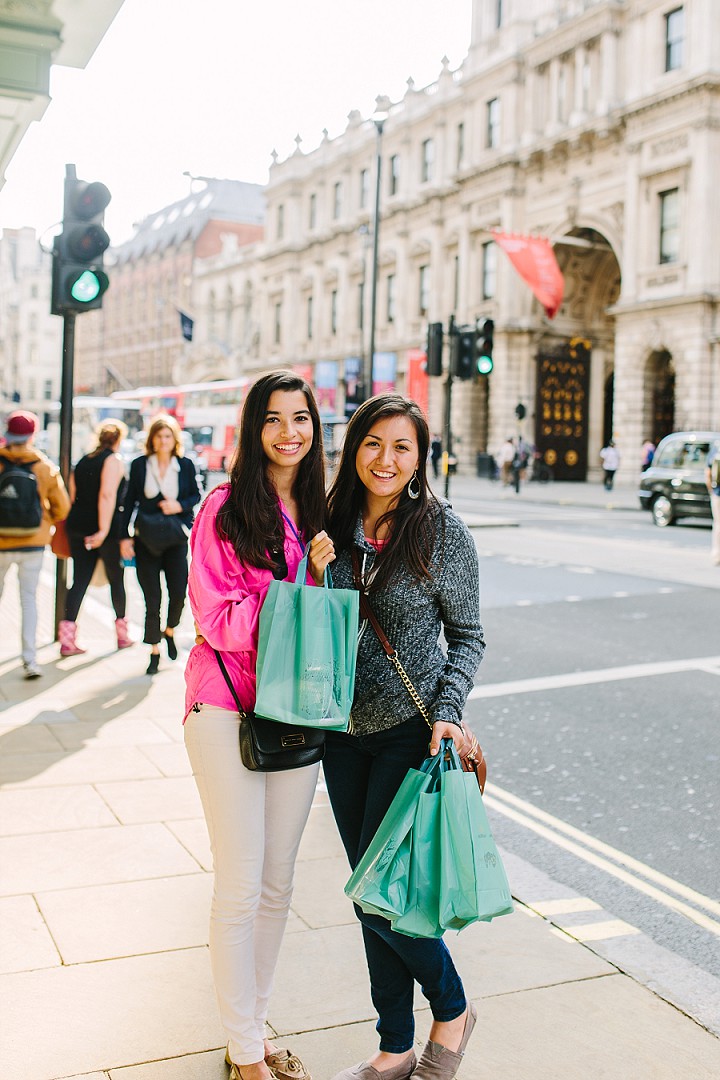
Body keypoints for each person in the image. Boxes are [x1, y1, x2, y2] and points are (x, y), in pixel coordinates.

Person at [324, 393, 486, 1080]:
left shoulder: (442, 533)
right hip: (339, 733)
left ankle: (451, 1010)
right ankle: (394, 1046)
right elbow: (314, 622)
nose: (385, 460)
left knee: (381, 894)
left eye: (402, 447)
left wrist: (450, 709)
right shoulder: (329, 524)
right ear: (354, 448)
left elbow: (468, 636)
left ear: (420, 459)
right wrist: (312, 567)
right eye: (373, 444)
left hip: (408, 732)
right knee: (369, 894)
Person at [183, 371, 335, 1080]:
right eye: (272, 420)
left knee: (278, 885)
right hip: (226, 709)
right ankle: (244, 1052)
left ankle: (257, 1027)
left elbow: (335, 624)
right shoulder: (223, 508)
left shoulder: (320, 514)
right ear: (254, 429)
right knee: (241, 884)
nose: (288, 433)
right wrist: (300, 591)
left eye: (300, 418)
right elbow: (219, 620)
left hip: (297, 715)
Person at [120, 414, 201, 675]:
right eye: (159, 436)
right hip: (146, 540)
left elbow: (195, 495)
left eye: (168, 436)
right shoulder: (140, 465)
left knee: (178, 593)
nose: (163, 441)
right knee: (151, 597)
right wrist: (124, 536)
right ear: (152, 440)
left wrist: (178, 505)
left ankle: (169, 630)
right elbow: (129, 501)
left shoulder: (185, 465)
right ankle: (154, 649)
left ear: (174, 439)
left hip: (176, 540)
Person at [0, 410, 70, 678]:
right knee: (28, 600)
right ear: (32, 435)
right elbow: (61, 508)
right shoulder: (44, 467)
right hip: (33, 544)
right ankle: (30, 659)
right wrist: (44, 520)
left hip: (1, 542)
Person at [59, 420, 133, 656]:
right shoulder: (114, 460)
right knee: (116, 579)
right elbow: (107, 495)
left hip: (77, 525)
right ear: (118, 439)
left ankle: (67, 640)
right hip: (103, 529)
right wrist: (102, 530)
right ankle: (122, 635)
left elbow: (72, 495)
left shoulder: (83, 460)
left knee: (79, 578)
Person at [706, 442, 720, 566]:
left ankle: (716, 554)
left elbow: (708, 473)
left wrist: (712, 491)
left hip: (718, 493)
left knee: (718, 523)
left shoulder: (716, 447)